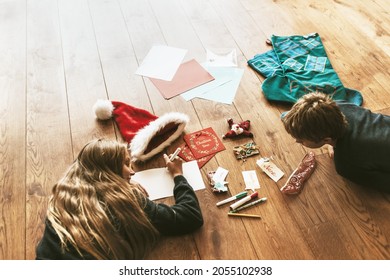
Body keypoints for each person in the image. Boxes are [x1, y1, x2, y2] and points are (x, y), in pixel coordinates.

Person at [35, 138, 203, 260]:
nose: (132, 172)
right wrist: (178, 176)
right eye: (125, 164)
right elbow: (190, 216)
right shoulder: (123, 201)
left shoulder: (63, 197)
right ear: (107, 170)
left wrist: (121, 179)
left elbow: (85, 162)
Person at [281, 91, 390, 193]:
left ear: (327, 139)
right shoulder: (338, 106)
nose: (297, 141)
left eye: (301, 140)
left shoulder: (346, 164)